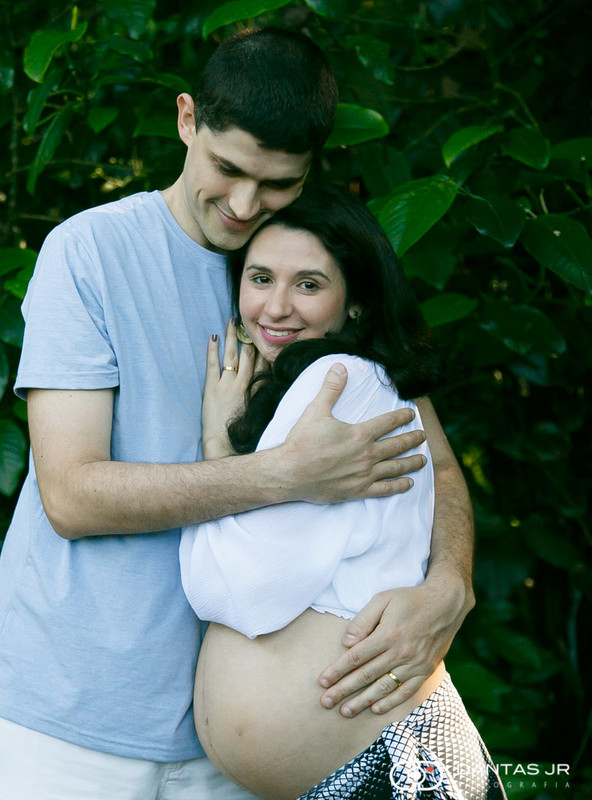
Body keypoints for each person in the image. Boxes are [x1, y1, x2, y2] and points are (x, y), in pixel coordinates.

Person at [0, 27, 475, 800]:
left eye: (276, 184)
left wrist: (449, 584)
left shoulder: (308, 267)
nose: (243, 206)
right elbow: (71, 495)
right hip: (67, 717)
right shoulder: (91, 252)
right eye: (227, 169)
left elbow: (429, 455)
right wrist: (282, 475)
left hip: (223, 754)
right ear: (186, 120)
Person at [182, 185, 505, 800]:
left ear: (355, 303)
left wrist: (216, 442)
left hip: (400, 768)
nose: (276, 307)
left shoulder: (339, 381)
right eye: (260, 278)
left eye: (308, 285)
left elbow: (231, 592)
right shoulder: (350, 381)